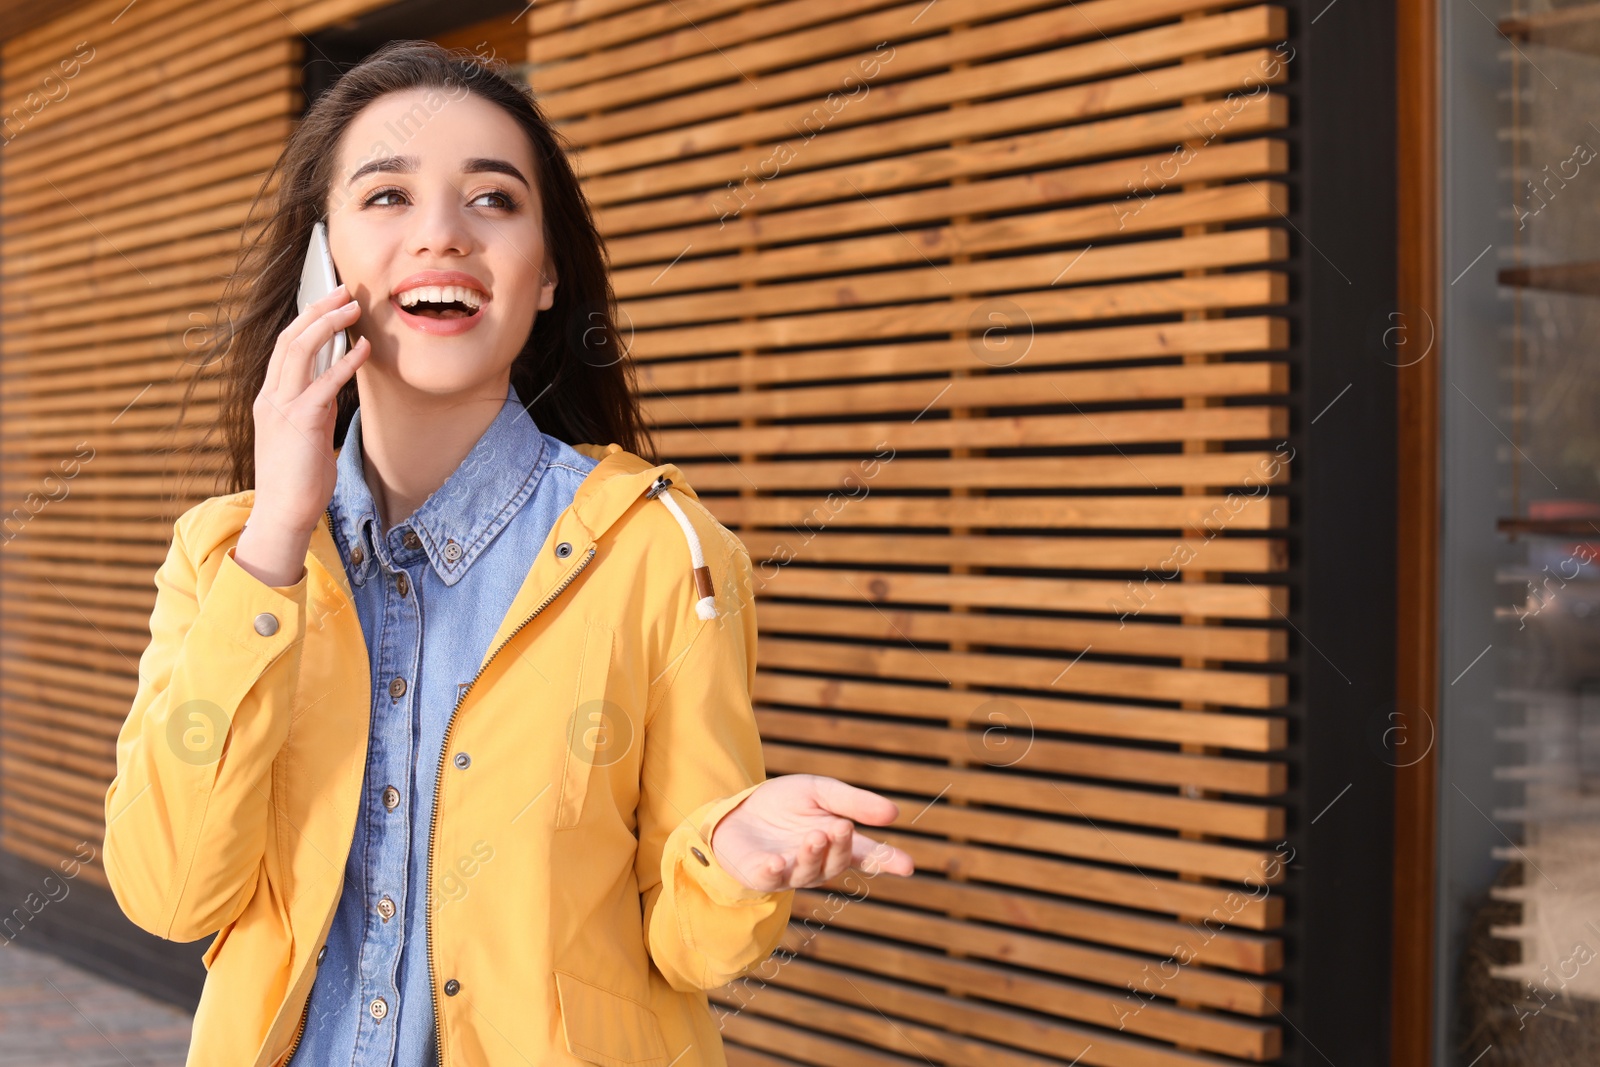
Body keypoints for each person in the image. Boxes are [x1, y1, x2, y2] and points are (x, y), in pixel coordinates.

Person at [102, 39, 913, 1067]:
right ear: (324, 267)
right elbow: (169, 891)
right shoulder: (228, 557)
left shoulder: (662, 549)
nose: (441, 233)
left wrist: (727, 860)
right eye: (387, 197)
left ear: (544, 278)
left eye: (492, 199)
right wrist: (275, 542)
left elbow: (691, 945)